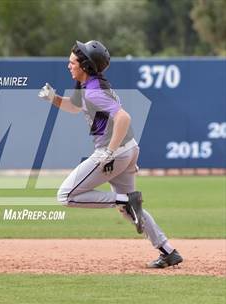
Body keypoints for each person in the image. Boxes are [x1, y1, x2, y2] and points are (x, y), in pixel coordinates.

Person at [38, 40, 183, 268]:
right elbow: (75, 108)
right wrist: (54, 99)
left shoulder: (94, 92)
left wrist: (109, 151)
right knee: (131, 211)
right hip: (129, 149)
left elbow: (124, 118)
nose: (69, 65)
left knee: (66, 196)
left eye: (72, 62)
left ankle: (127, 200)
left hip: (115, 153)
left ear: (85, 66)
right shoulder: (90, 86)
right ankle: (168, 251)